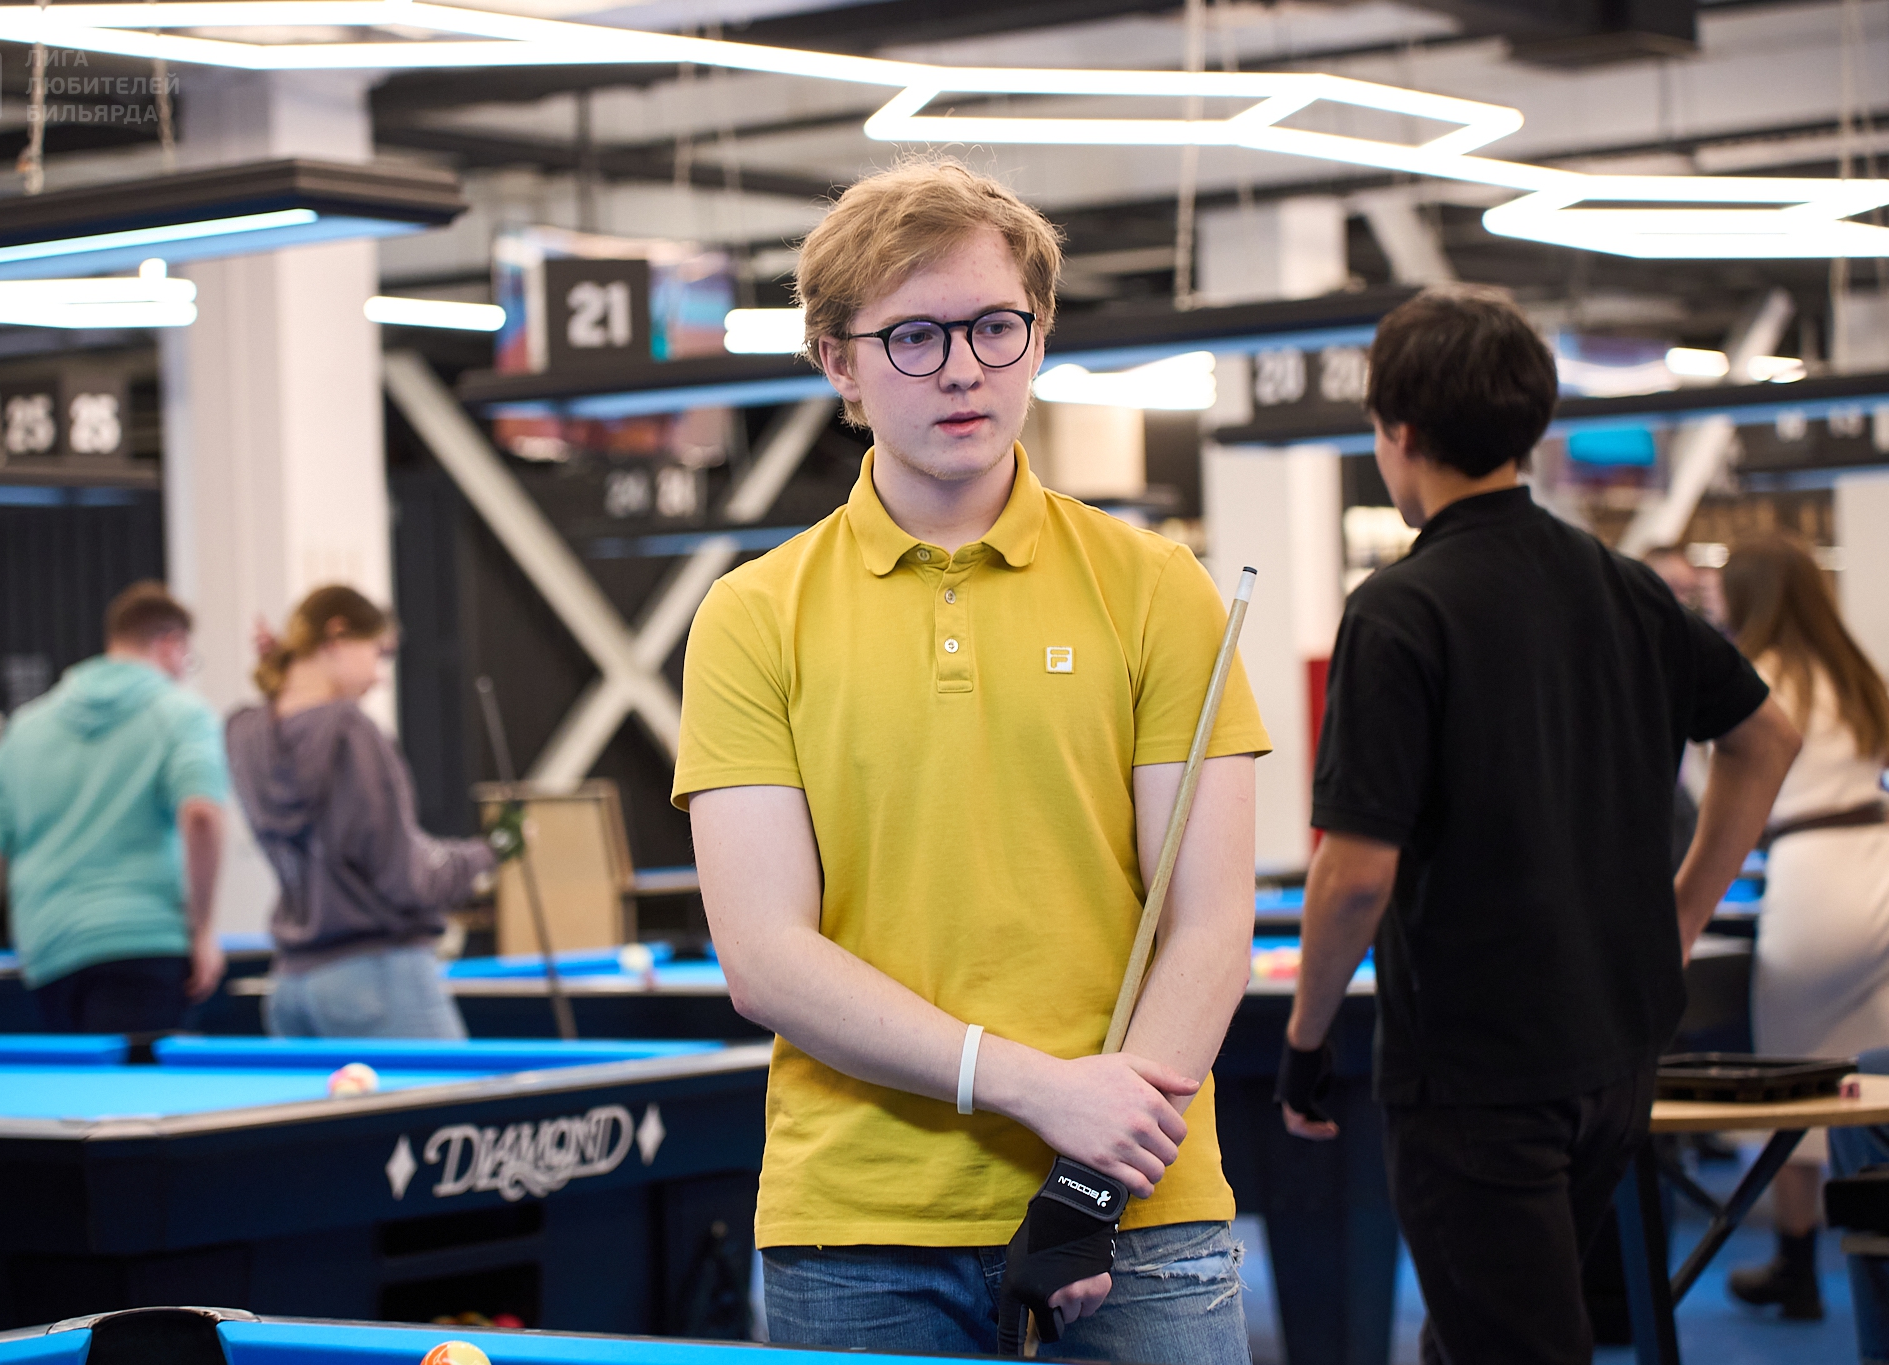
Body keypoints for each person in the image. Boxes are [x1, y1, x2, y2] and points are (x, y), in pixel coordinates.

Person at [675, 158, 1270, 1364]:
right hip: (859, 1227)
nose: (962, 367)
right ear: (837, 362)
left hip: (1138, 1208)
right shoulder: (750, 616)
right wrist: (1035, 1088)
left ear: (1037, 333)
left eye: (996, 326)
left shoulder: (1157, 587)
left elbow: (1209, 921)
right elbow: (765, 957)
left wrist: (1090, 1180)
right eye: (913, 336)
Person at [1273, 285, 1802, 1365]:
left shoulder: (1398, 609)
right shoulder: (1626, 586)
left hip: (1477, 1070)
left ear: (1398, 432)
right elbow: (1766, 738)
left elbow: (1355, 875)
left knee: (1513, 1339)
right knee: (1483, 1327)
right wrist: (1679, 916)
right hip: (1614, 1051)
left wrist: (1306, 1035)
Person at [0, 582, 229, 1034]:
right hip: (147, 944)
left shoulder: (24, 728)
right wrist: (203, 930)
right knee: (145, 1081)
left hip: (50, 954)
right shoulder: (183, 714)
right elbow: (202, 816)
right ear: (171, 643)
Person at [1718, 534, 1889, 1321]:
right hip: (1878, 860)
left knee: (1794, 1070)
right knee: (1877, 1074)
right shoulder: (1854, 670)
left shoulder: (1755, 676)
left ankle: (1796, 1264)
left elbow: (1717, 796)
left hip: (1812, 874)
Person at [228, 585, 510, 1039]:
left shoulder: (245, 732)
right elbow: (406, 878)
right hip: (378, 978)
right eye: (379, 653)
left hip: (290, 990)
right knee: (456, 1091)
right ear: (337, 635)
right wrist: (488, 852)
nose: (380, 677)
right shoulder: (351, 731)